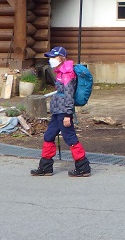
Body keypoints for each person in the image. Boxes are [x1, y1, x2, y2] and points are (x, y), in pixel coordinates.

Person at [30, 46, 91, 177]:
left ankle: (83, 167)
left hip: (63, 112)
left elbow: (69, 95)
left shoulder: (68, 73)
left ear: (61, 58)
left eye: (53, 57)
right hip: (58, 111)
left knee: (70, 138)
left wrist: (68, 115)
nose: (51, 60)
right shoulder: (60, 72)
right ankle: (45, 167)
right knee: (49, 136)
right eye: (50, 57)